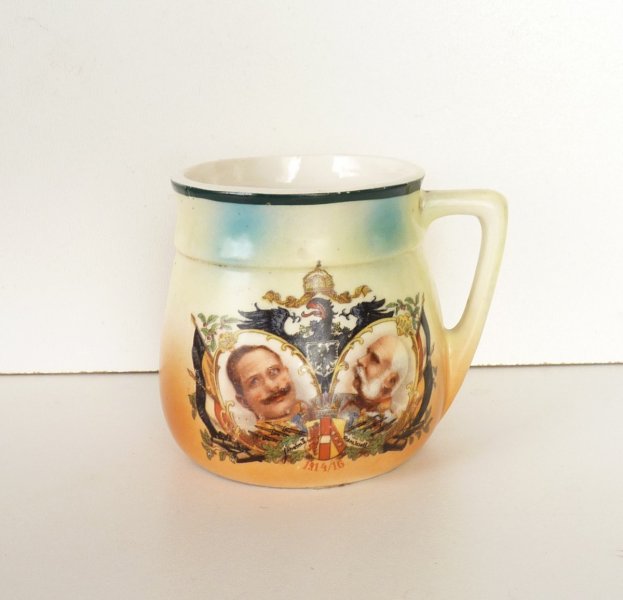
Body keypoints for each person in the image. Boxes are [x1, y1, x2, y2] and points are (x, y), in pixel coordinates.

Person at [226, 344, 310, 427]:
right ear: (244, 401)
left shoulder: (313, 411)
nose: (272, 386)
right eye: (254, 381)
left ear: (287, 372)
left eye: (274, 371)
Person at [339, 334, 409, 421]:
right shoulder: (346, 401)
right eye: (367, 353)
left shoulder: (384, 421)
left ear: (390, 381)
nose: (360, 360)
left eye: (374, 359)